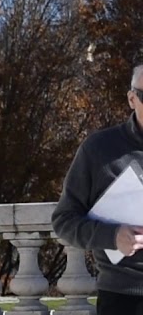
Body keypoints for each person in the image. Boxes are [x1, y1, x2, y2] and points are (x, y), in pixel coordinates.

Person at [52, 64, 143, 314]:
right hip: (123, 298)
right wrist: (112, 236)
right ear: (132, 99)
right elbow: (64, 221)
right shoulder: (99, 149)